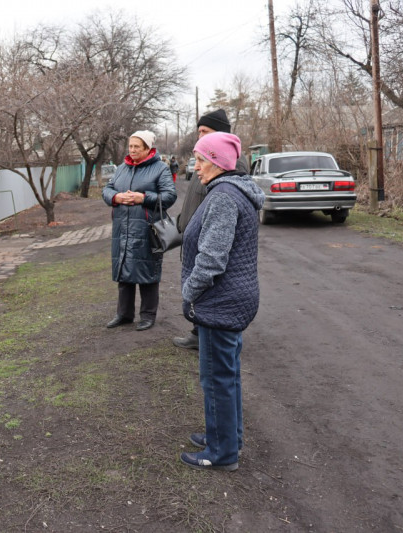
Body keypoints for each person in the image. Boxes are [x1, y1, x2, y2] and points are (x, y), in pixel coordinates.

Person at [179, 132, 264, 471]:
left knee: (217, 379)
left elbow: (212, 259)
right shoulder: (229, 192)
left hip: (220, 301)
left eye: (200, 160)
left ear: (216, 162)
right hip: (229, 299)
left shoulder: (225, 197)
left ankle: (222, 452)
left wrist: (188, 291)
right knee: (225, 376)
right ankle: (227, 436)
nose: (195, 167)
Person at [173, 109, 250, 351]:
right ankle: (201, 331)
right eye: (199, 132)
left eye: (205, 131)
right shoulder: (205, 158)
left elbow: (220, 208)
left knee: (207, 287)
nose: (200, 136)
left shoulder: (230, 162)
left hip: (209, 239)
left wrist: (190, 290)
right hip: (196, 235)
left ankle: (205, 334)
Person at [102, 130, 177, 331]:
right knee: (124, 269)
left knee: (147, 271)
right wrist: (115, 198)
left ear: (148, 149)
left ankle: (148, 315)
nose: (132, 150)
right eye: (130, 146)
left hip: (147, 228)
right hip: (122, 227)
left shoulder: (160, 169)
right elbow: (107, 189)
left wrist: (143, 198)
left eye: (137, 146)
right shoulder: (121, 168)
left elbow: (170, 196)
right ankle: (124, 314)